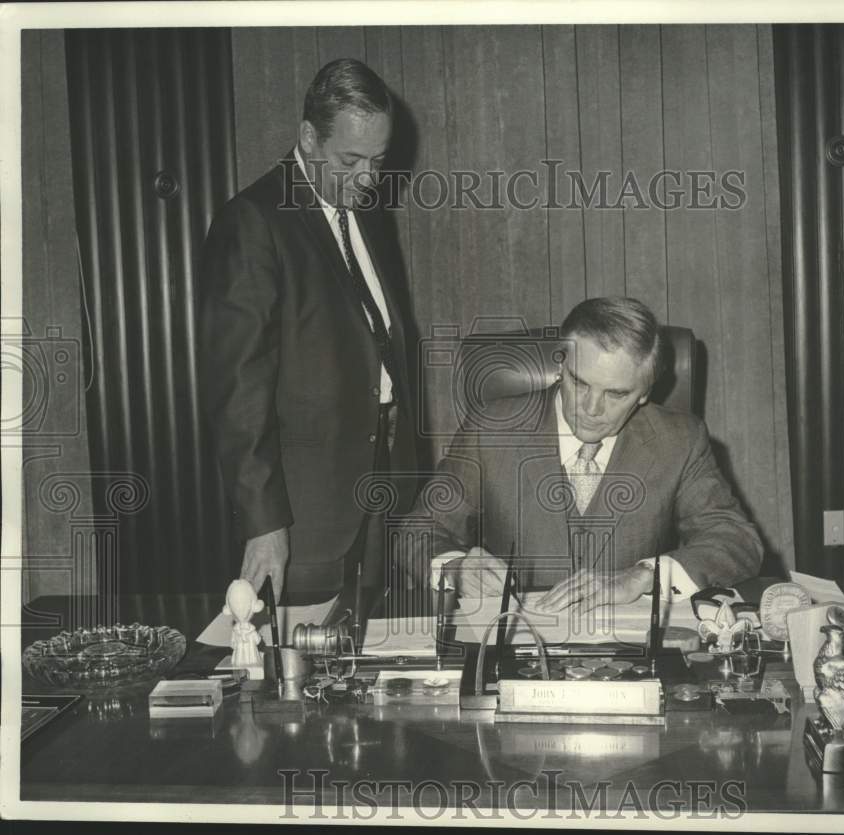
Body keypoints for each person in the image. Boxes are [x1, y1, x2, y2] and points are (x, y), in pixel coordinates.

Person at [199, 58, 416, 607]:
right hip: (303, 510)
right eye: (351, 160)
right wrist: (263, 522)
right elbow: (237, 391)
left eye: (379, 160)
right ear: (308, 138)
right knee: (294, 674)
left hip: (381, 486)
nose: (368, 178)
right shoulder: (252, 221)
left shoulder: (368, 213)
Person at [406, 296, 762, 613]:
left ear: (644, 393)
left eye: (616, 394)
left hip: (629, 652)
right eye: (579, 383)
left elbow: (736, 540)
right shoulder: (491, 429)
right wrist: (455, 569)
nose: (591, 408)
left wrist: (645, 577)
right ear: (560, 365)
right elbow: (419, 530)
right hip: (516, 645)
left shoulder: (679, 440)